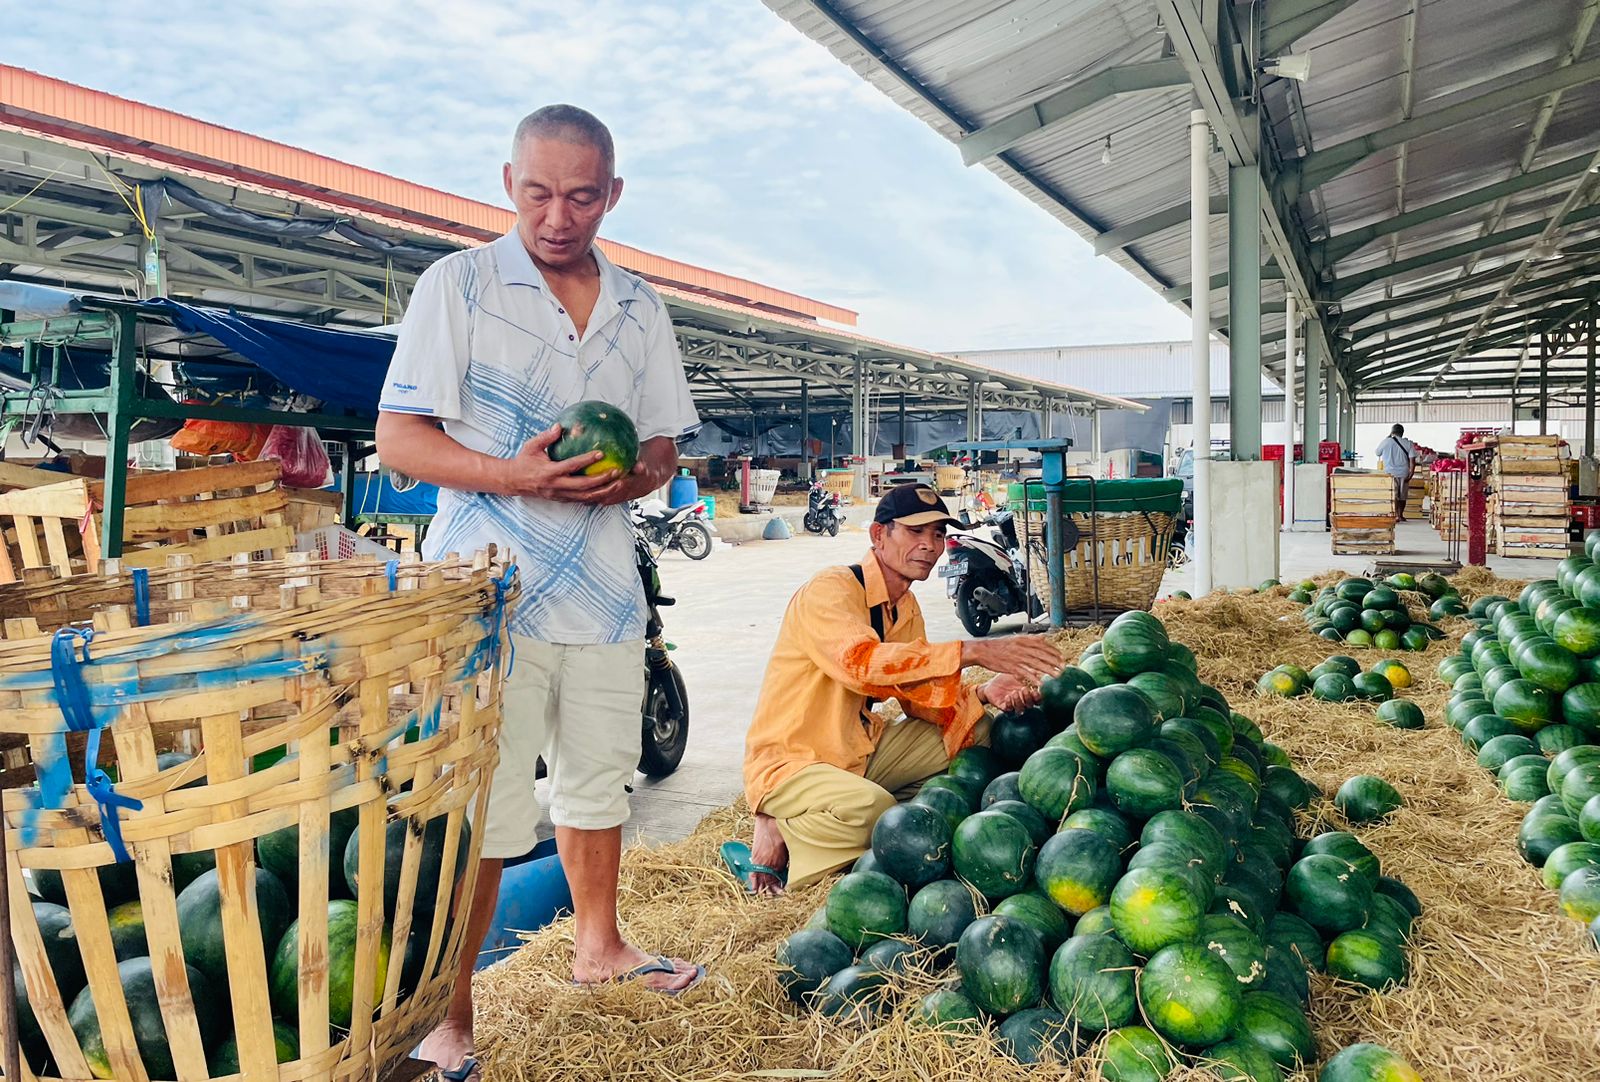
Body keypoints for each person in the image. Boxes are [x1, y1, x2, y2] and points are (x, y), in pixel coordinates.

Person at [375, 105, 704, 1082]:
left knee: (600, 781)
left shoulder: (641, 306)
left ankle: (600, 946)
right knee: (480, 809)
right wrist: (517, 475)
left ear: (612, 192)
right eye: (539, 192)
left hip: (603, 590)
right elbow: (400, 440)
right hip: (487, 597)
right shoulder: (460, 286)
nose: (559, 215)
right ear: (508, 181)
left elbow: (661, 446)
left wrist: (634, 478)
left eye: (582, 195)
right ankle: (451, 1016)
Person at [731, 483, 1067, 896]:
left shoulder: (905, 609)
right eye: (915, 532)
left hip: (857, 751)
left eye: (939, 535)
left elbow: (919, 700)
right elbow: (861, 665)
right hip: (794, 761)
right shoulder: (830, 590)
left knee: (974, 732)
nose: (930, 545)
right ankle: (782, 829)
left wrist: (982, 695)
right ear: (878, 536)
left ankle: (830, 821)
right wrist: (973, 652)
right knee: (878, 813)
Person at [1375, 424, 1421, 521]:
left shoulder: (1386, 442)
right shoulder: (1408, 443)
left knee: (1394, 494)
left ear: (1392, 432)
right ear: (1402, 432)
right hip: (1403, 473)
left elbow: (1377, 453)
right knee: (1402, 496)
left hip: (1390, 473)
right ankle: (1400, 515)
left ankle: (1395, 515)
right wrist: (1411, 474)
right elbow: (1412, 461)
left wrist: (1387, 437)